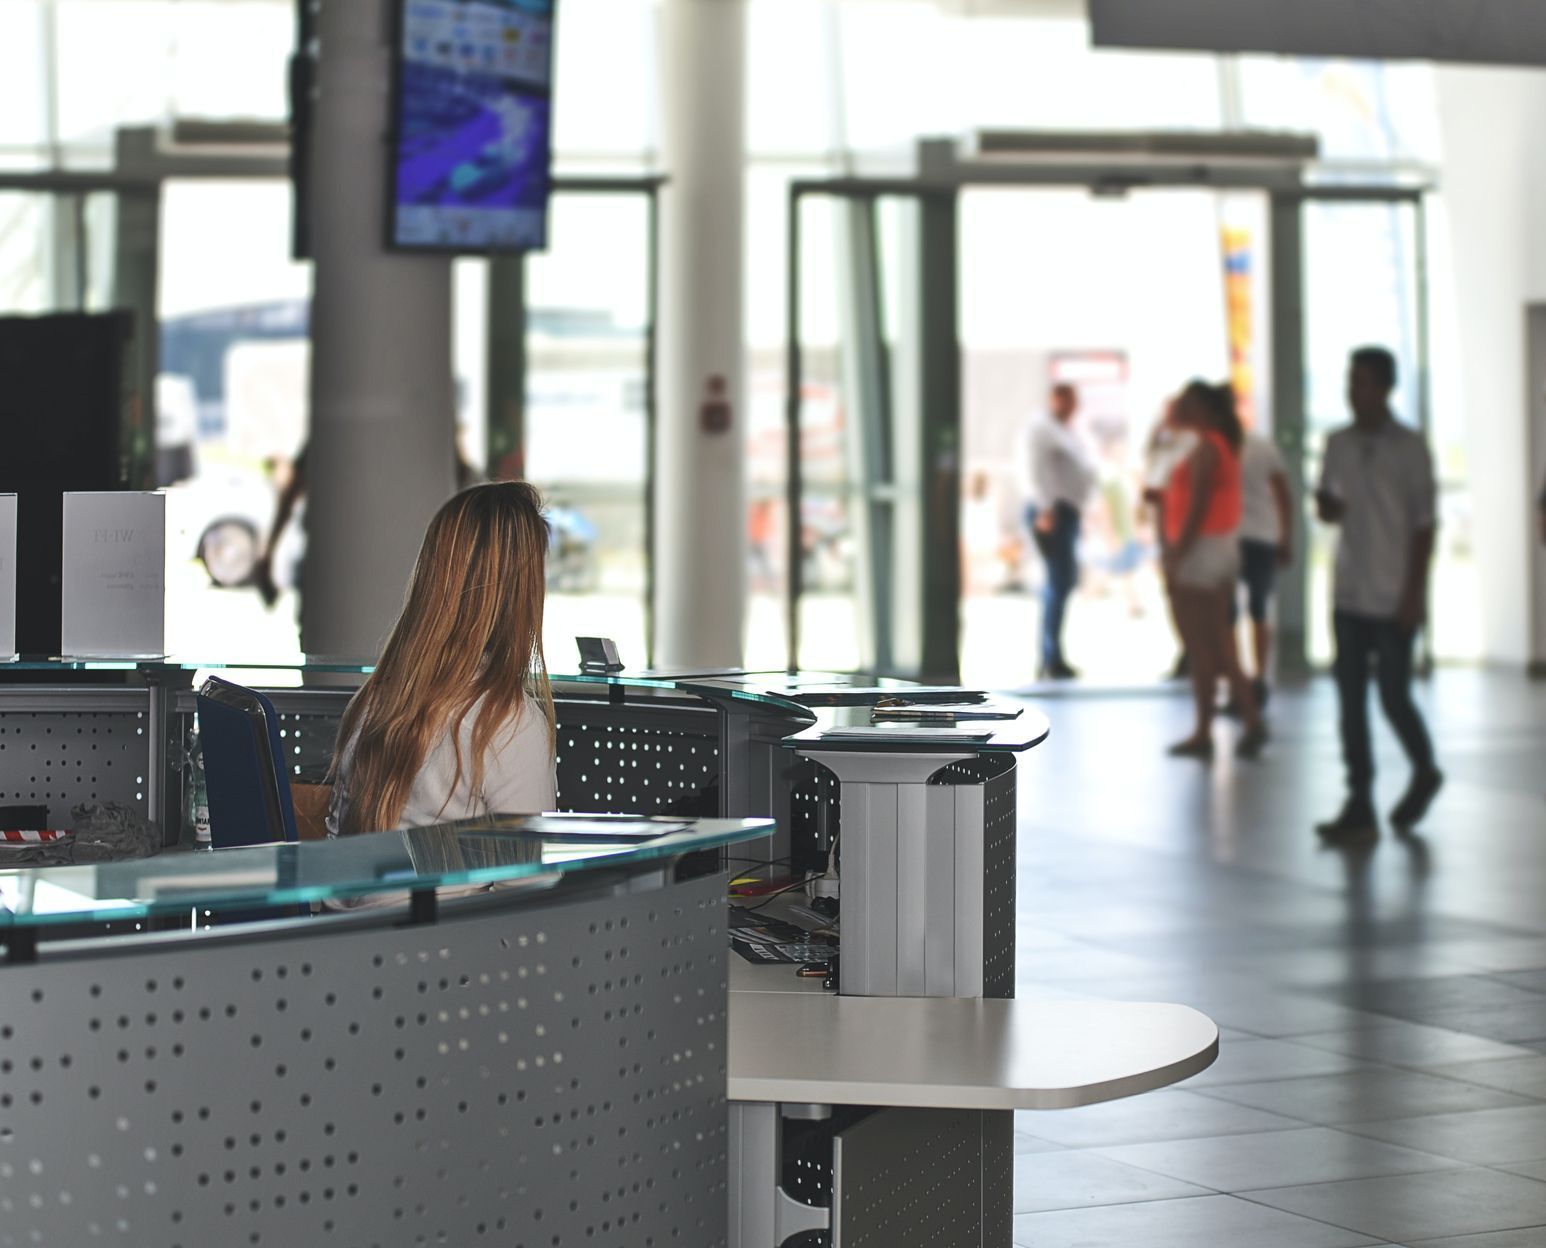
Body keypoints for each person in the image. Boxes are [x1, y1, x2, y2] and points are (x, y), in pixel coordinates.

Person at [326, 482, 557, 837]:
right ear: (520, 594)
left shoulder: (372, 701)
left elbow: (336, 861)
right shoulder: (509, 725)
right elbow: (527, 884)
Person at [1315, 347, 1442, 839]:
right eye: (1350, 381)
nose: (1354, 391)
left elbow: (1425, 526)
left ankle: (1424, 767)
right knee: (1350, 702)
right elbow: (1329, 508)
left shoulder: (1410, 447)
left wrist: (1415, 594)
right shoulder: (1338, 443)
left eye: (1363, 382)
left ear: (1386, 388)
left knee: (1392, 695)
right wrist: (1325, 505)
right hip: (1348, 591)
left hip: (1393, 593)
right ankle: (1360, 800)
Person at [1161, 381, 1266, 760]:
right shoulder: (1215, 445)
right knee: (1216, 644)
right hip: (1215, 548)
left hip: (1202, 551)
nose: (1180, 408)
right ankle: (1222, 724)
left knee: (1207, 646)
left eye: (1188, 403)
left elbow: (1197, 507)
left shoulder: (1207, 448)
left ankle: (1231, 723)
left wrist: (1177, 554)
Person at [1025, 383, 1095, 679]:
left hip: (1065, 512)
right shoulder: (1042, 429)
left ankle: (1053, 655)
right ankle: (1050, 658)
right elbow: (1033, 469)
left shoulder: (1065, 430)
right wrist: (1045, 509)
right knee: (1057, 583)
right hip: (1053, 513)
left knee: (1062, 583)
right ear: (1055, 400)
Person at [1234, 425, 1295, 707]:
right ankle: (1245, 680)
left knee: (1254, 611)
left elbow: (1282, 493)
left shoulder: (1256, 447)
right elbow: (1283, 494)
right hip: (1247, 538)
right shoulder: (1253, 446)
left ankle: (1254, 680)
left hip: (1251, 537)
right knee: (1242, 613)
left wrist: (1285, 536)